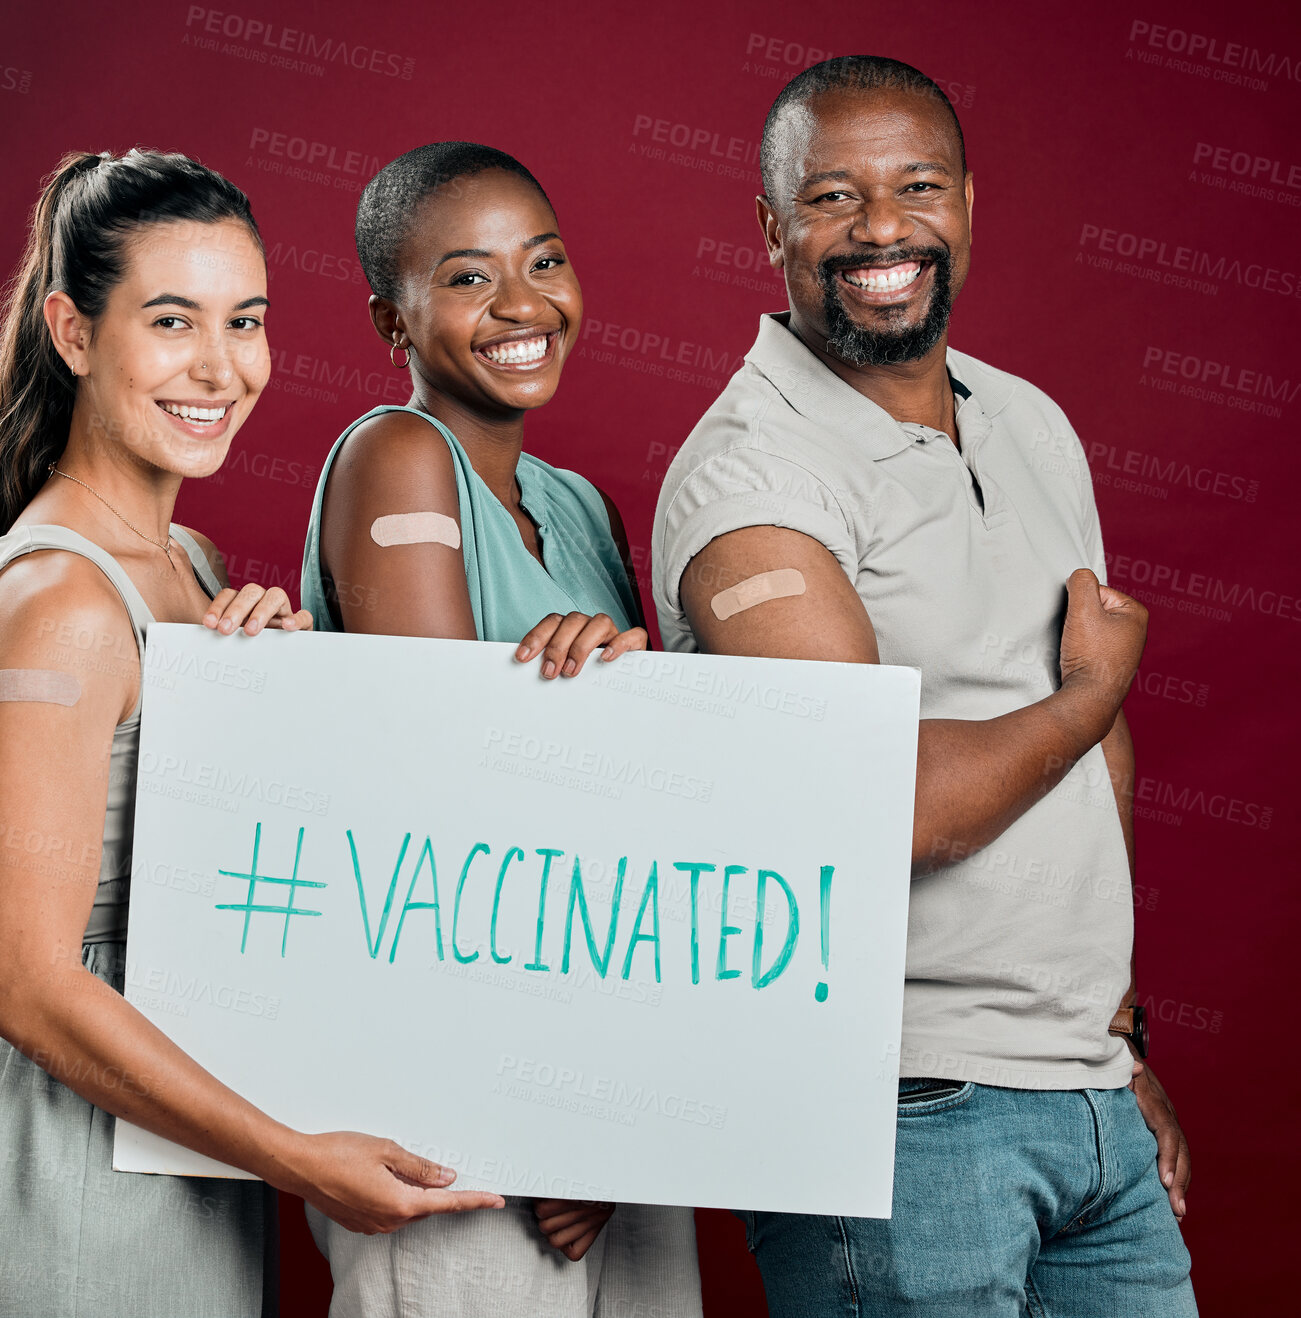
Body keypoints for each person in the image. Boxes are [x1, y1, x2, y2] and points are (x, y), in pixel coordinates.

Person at [652, 58, 1197, 1317]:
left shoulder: (1030, 423)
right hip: (895, 1109)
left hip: (1084, 1095)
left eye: (917, 188)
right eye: (834, 197)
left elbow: (1092, 754)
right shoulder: (749, 479)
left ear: (966, 204)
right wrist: (1084, 696)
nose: (882, 228)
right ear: (771, 226)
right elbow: (876, 802)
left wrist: (1112, 1033)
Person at [0, 148, 502, 1318]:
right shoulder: (66, 605)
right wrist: (291, 1154)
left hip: (185, 1160)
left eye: (246, 321)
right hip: (70, 1183)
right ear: (72, 332)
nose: (221, 367)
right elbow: (26, 985)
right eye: (172, 321)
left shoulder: (183, 565)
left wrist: (260, 700)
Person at [298, 141, 703, 1318]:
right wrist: (548, 1111)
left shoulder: (578, 505)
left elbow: (650, 793)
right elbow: (443, 795)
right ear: (392, 315)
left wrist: (642, 683)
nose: (524, 305)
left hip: (602, 1066)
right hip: (458, 1082)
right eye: (469, 278)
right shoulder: (397, 455)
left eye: (545, 262)